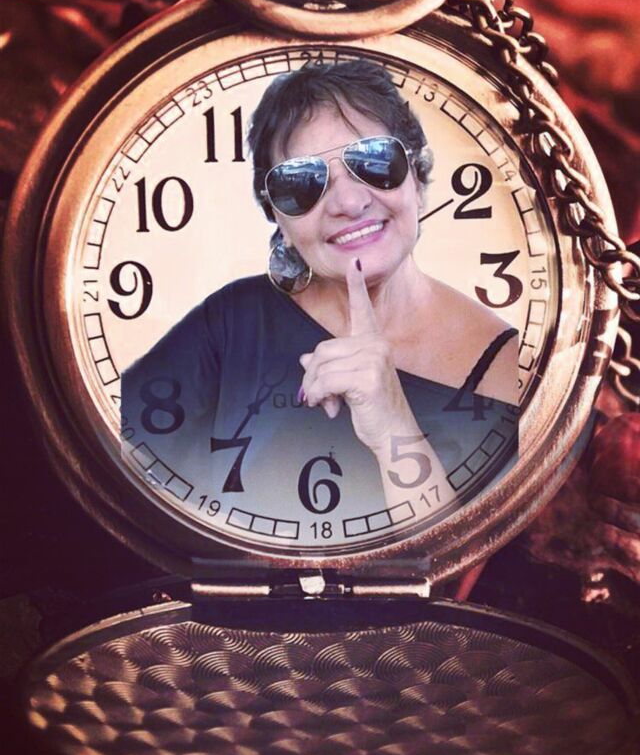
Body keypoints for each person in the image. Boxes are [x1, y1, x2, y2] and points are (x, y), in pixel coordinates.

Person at [121, 59, 518, 534]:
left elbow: (471, 566)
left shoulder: (507, 366)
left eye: (373, 161)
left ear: (417, 176)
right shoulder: (232, 322)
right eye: (301, 183)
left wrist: (392, 425)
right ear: (278, 219)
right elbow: (103, 471)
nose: (349, 203)